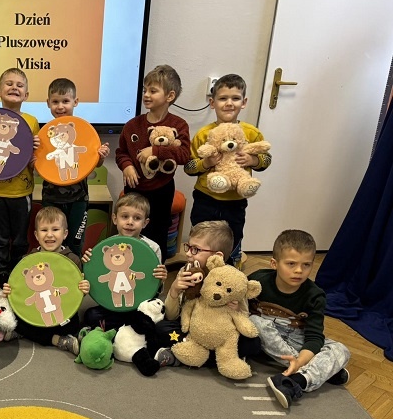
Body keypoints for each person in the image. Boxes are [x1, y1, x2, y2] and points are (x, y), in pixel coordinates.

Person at [248, 229, 350, 409]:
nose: (298, 270)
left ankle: (295, 381)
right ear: (274, 263)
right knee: (256, 322)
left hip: (296, 337)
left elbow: (314, 336)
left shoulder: (315, 295)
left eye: (306, 265)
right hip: (265, 336)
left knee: (341, 350)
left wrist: (300, 361)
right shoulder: (257, 280)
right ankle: (321, 369)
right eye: (291, 264)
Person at [185, 74, 272, 267]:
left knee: (233, 236)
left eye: (235, 98)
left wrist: (253, 160)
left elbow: (267, 159)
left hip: (235, 201)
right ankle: (197, 269)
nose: (229, 103)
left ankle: (230, 270)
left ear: (244, 102)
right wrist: (206, 163)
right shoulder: (203, 134)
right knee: (200, 236)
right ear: (212, 103)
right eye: (223, 98)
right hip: (205, 198)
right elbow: (189, 167)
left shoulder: (252, 133)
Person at [155, 220, 260, 366]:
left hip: (222, 335)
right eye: (188, 247)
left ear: (217, 256)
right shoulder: (186, 271)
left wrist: (236, 309)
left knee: (253, 342)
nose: (188, 253)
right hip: (193, 331)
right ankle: (214, 357)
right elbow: (171, 316)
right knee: (160, 329)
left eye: (195, 249)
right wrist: (174, 290)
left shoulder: (233, 278)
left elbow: (244, 316)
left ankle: (185, 355)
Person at [115, 64, 190, 262]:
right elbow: (121, 152)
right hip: (134, 189)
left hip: (162, 191)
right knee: (130, 233)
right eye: (144, 90)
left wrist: (156, 150)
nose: (146, 95)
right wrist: (127, 165)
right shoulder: (132, 125)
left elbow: (184, 155)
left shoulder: (179, 125)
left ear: (170, 96)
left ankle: (156, 274)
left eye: (153, 91)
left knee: (158, 233)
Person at [3, 206, 90, 355]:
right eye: (44, 230)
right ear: (36, 235)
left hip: (61, 311)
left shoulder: (73, 260)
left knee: (73, 324)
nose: (49, 235)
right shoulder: (28, 260)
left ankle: (27, 333)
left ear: (65, 234)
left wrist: (84, 289)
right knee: (18, 317)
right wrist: (9, 290)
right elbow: (22, 290)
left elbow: (74, 294)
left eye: (55, 229)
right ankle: (58, 340)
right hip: (37, 312)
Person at [42, 78, 110, 257]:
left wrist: (101, 156)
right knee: (52, 241)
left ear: (75, 102)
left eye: (65, 101)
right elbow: (41, 163)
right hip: (51, 197)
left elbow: (94, 163)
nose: (60, 106)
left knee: (75, 241)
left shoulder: (84, 132)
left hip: (79, 198)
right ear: (48, 103)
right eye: (55, 102)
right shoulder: (44, 135)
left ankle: (75, 268)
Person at [81, 192, 168, 331]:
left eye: (137, 218)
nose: (130, 222)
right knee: (90, 315)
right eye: (125, 216)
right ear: (115, 219)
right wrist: (89, 261)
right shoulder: (106, 246)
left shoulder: (153, 248)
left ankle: (121, 327)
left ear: (145, 223)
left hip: (140, 303)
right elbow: (97, 276)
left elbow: (153, 285)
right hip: (113, 301)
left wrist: (161, 278)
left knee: (155, 317)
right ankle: (129, 328)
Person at [0, 68, 40, 288]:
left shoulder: (32, 121)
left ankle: (17, 270)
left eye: (19, 85)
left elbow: (33, 157)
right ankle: (2, 272)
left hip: (21, 191)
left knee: (20, 237)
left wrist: (35, 148)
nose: (14, 88)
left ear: (26, 95)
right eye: (9, 84)